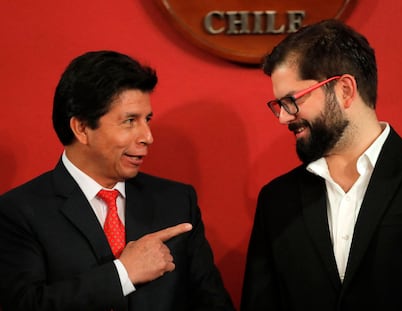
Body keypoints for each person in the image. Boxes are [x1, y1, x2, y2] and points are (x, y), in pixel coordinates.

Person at [0, 50, 235, 311]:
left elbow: (212, 303)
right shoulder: (19, 212)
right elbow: (24, 305)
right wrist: (123, 274)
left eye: (147, 120)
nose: (147, 136)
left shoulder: (177, 202)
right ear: (82, 128)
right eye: (130, 121)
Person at [241, 19, 402, 311]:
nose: (283, 117)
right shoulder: (277, 200)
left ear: (345, 90)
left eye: (292, 100)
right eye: (279, 105)